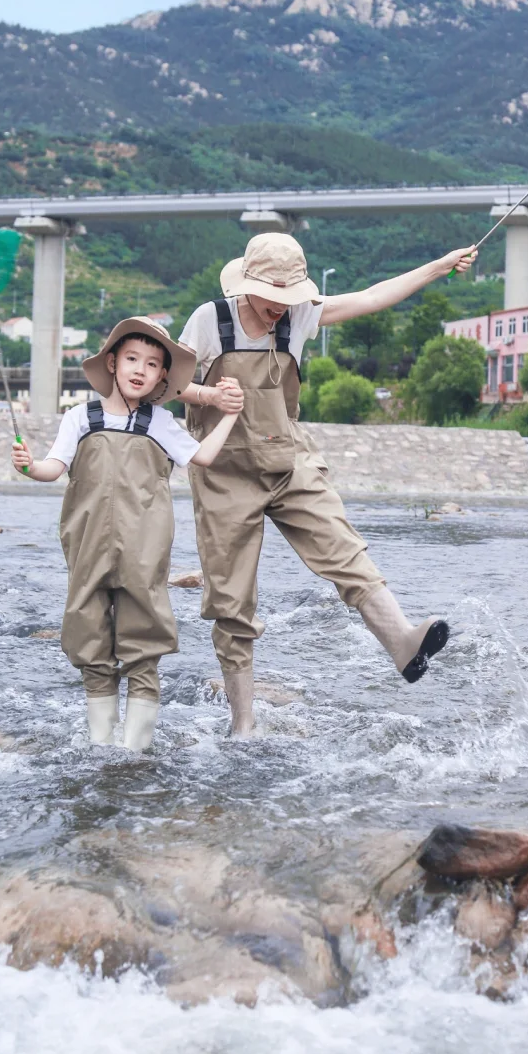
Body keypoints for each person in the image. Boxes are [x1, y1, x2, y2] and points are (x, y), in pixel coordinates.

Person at [179, 232, 477, 736]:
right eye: (273, 298)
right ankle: (243, 722)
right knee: (231, 602)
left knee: (346, 550)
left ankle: (404, 643)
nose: (281, 309)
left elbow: (370, 298)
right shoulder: (211, 319)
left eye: (289, 298)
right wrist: (209, 394)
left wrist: (439, 265)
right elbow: (170, 381)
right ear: (247, 284)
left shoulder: (300, 316)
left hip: (288, 459)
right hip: (224, 472)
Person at [12, 317, 242, 751]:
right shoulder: (80, 418)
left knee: (144, 649)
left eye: (153, 364)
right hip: (86, 551)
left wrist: (229, 415)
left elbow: (204, 457)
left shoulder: (161, 423)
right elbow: (51, 468)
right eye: (132, 359)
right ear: (113, 363)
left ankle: (135, 752)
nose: (141, 369)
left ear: (161, 377)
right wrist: (27, 466)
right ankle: (102, 749)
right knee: (90, 642)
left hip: (144, 555)